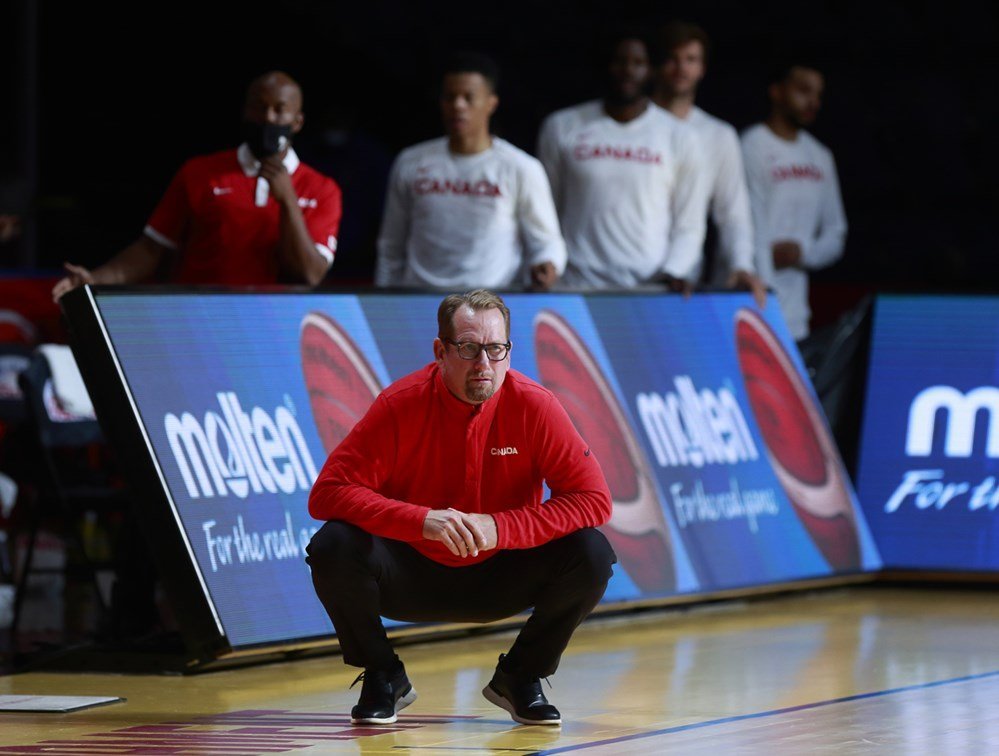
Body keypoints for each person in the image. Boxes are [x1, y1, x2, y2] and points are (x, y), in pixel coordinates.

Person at [306, 290, 615, 726]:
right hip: (410, 572)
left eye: (496, 349)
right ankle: (382, 674)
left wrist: (501, 527)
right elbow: (328, 493)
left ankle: (521, 676)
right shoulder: (401, 404)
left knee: (593, 553)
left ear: (509, 351)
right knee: (332, 544)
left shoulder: (535, 405)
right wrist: (420, 520)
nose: (483, 364)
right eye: (469, 349)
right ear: (441, 351)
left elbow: (593, 500)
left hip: (502, 572)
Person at [52, 71, 342, 300]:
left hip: (275, 330)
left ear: (298, 121)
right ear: (245, 111)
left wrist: (288, 200)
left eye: (279, 110)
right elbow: (152, 249)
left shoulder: (322, 189)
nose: (268, 118)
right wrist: (95, 280)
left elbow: (310, 274)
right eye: (259, 107)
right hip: (199, 322)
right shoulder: (201, 172)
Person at [375, 54, 566, 291]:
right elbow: (390, 247)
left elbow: (547, 242)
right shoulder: (410, 162)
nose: (458, 105)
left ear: (491, 103)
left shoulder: (521, 168)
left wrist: (547, 265)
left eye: (469, 97)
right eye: (450, 97)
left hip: (490, 304)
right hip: (420, 300)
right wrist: (383, 298)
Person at [536, 31, 709, 291]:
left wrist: (673, 271)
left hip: (650, 289)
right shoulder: (561, 126)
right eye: (620, 61)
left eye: (638, 63)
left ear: (652, 70)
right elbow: (545, 212)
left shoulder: (680, 136)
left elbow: (690, 223)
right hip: (576, 285)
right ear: (606, 66)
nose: (628, 70)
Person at [652, 21, 766, 307]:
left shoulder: (718, 135)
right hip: (619, 277)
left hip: (682, 283)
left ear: (702, 68)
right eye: (672, 59)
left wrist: (742, 265)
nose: (681, 69)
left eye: (691, 60)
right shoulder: (633, 126)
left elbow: (733, 212)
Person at [741, 61, 847, 340]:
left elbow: (836, 233)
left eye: (818, 94)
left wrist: (802, 253)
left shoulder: (820, 156)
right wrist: (764, 278)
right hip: (750, 305)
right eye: (803, 90)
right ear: (776, 91)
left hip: (796, 317)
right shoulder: (752, 144)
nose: (812, 101)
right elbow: (749, 223)